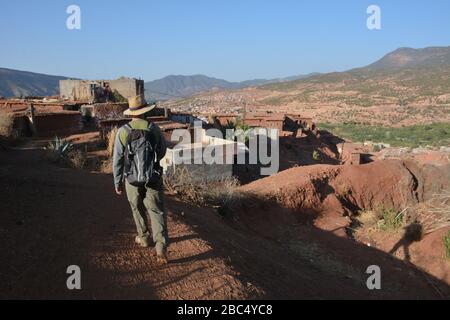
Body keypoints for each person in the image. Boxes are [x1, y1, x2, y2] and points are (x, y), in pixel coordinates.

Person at [113, 94, 169, 264]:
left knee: (136, 208)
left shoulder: (123, 132)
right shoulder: (154, 129)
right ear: (146, 111)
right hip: (153, 177)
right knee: (157, 211)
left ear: (131, 113)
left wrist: (117, 182)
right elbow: (162, 152)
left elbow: (118, 159)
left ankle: (143, 237)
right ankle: (161, 248)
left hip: (131, 179)